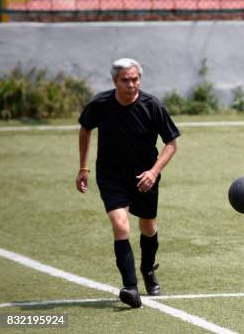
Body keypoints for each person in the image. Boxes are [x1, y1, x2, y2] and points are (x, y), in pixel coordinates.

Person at [76, 58, 180, 308]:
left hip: (145, 175)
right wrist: (83, 167)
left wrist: (153, 172)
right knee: (121, 226)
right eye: (125, 80)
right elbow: (85, 128)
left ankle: (148, 271)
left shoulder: (152, 105)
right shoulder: (100, 104)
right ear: (115, 81)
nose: (131, 84)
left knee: (148, 227)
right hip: (111, 176)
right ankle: (130, 288)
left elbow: (171, 144)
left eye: (135, 79)